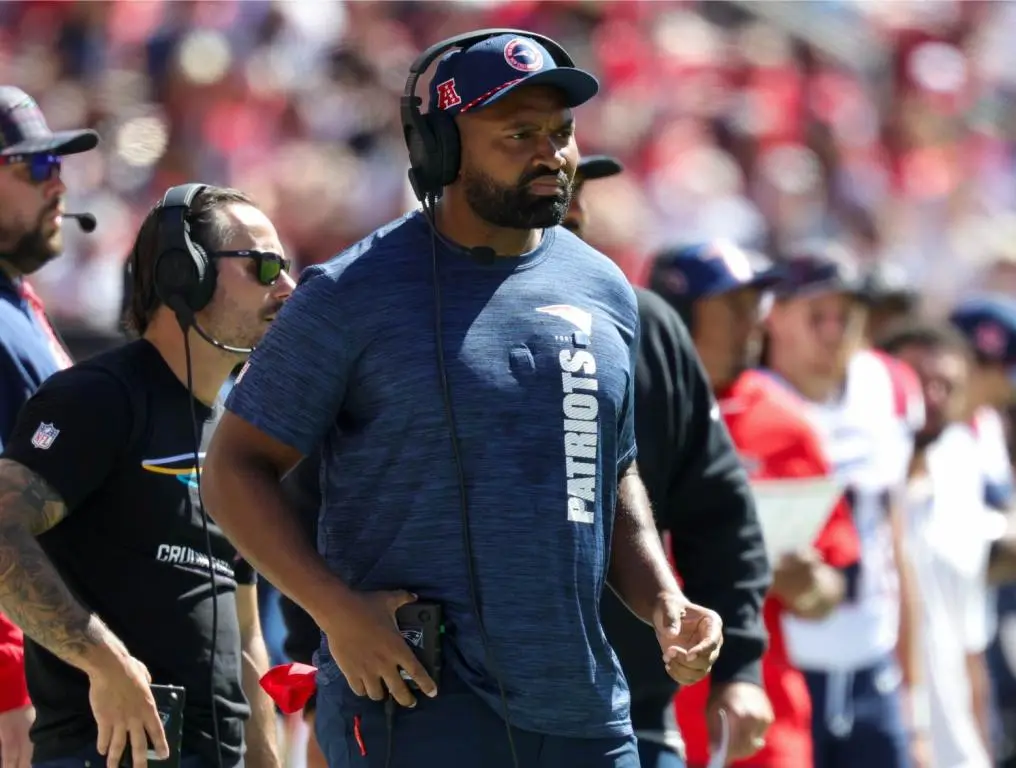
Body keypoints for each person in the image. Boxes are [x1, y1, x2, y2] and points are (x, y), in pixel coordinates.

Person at [202, 30, 723, 768]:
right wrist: (335, 612)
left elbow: (612, 469)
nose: (551, 154)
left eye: (560, 132)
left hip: (584, 714)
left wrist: (664, 600)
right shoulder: (349, 295)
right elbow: (233, 466)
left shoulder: (604, 288)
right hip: (414, 711)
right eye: (518, 134)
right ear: (440, 148)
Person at [0, 183, 292, 768]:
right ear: (187, 275)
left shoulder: (237, 434)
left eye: (285, 268)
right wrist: (105, 663)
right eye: (262, 267)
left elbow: (244, 632)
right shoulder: (97, 398)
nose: (286, 288)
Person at [563, 157, 774, 767]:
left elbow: (719, 513)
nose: (572, 206)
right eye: (556, 191)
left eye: (577, 191)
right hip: (454, 718)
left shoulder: (646, 324)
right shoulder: (422, 319)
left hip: (629, 714)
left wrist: (739, 666)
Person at [649, 242, 860, 768]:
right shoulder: (624, 408)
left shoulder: (786, 423)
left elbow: (832, 587)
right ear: (679, 314)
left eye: (757, 307)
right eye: (735, 307)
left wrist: (806, 587)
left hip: (758, 721)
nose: (755, 324)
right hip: (648, 720)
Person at [762, 248, 928, 768]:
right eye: (818, 314)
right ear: (776, 316)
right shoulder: (745, 400)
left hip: (871, 662)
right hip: (782, 666)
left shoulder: (890, 386)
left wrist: (913, 697)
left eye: (847, 315)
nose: (835, 331)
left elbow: (897, 543)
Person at [0, 85, 99, 768]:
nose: (58, 183)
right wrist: (12, 690)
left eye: (57, 166)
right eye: (34, 168)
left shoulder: (14, 302)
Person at [878, 320, 999, 768]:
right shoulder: (851, 479)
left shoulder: (962, 466)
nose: (933, 397)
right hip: (872, 734)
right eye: (919, 381)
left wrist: (982, 745)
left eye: (948, 385)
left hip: (953, 750)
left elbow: (972, 640)